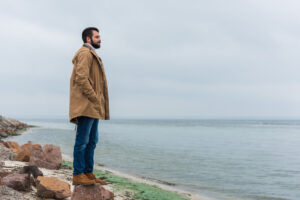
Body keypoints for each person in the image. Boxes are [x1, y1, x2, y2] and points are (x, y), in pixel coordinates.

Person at [69, 27, 110, 185]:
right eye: (97, 36)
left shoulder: (92, 54)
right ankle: (78, 174)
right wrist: (94, 98)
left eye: (100, 36)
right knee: (83, 141)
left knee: (92, 141)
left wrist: (97, 102)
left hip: (93, 107)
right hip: (86, 105)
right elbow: (81, 78)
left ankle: (88, 172)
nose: (100, 39)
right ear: (88, 39)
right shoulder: (85, 54)